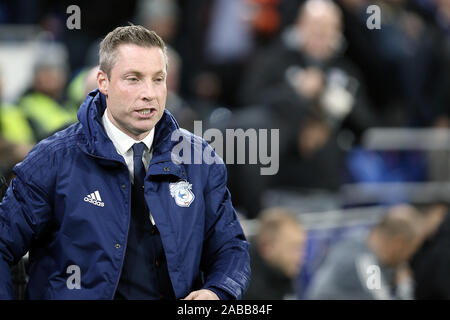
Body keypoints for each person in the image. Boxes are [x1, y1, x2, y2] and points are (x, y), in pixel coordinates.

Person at [0, 25, 250, 300]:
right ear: (103, 82)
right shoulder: (52, 160)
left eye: (158, 79)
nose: (149, 93)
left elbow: (230, 248)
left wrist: (218, 291)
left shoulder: (199, 159)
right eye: (134, 79)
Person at [306, 204, 424, 300]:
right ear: (398, 243)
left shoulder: (356, 242)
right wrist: (404, 285)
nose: (409, 257)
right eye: (412, 250)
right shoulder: (365, 262)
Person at [243, 207, 306, 300]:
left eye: (301, 248)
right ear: (267, 248)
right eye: (293, 248)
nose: (301, 255)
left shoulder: (282, 271)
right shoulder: (241, 286)